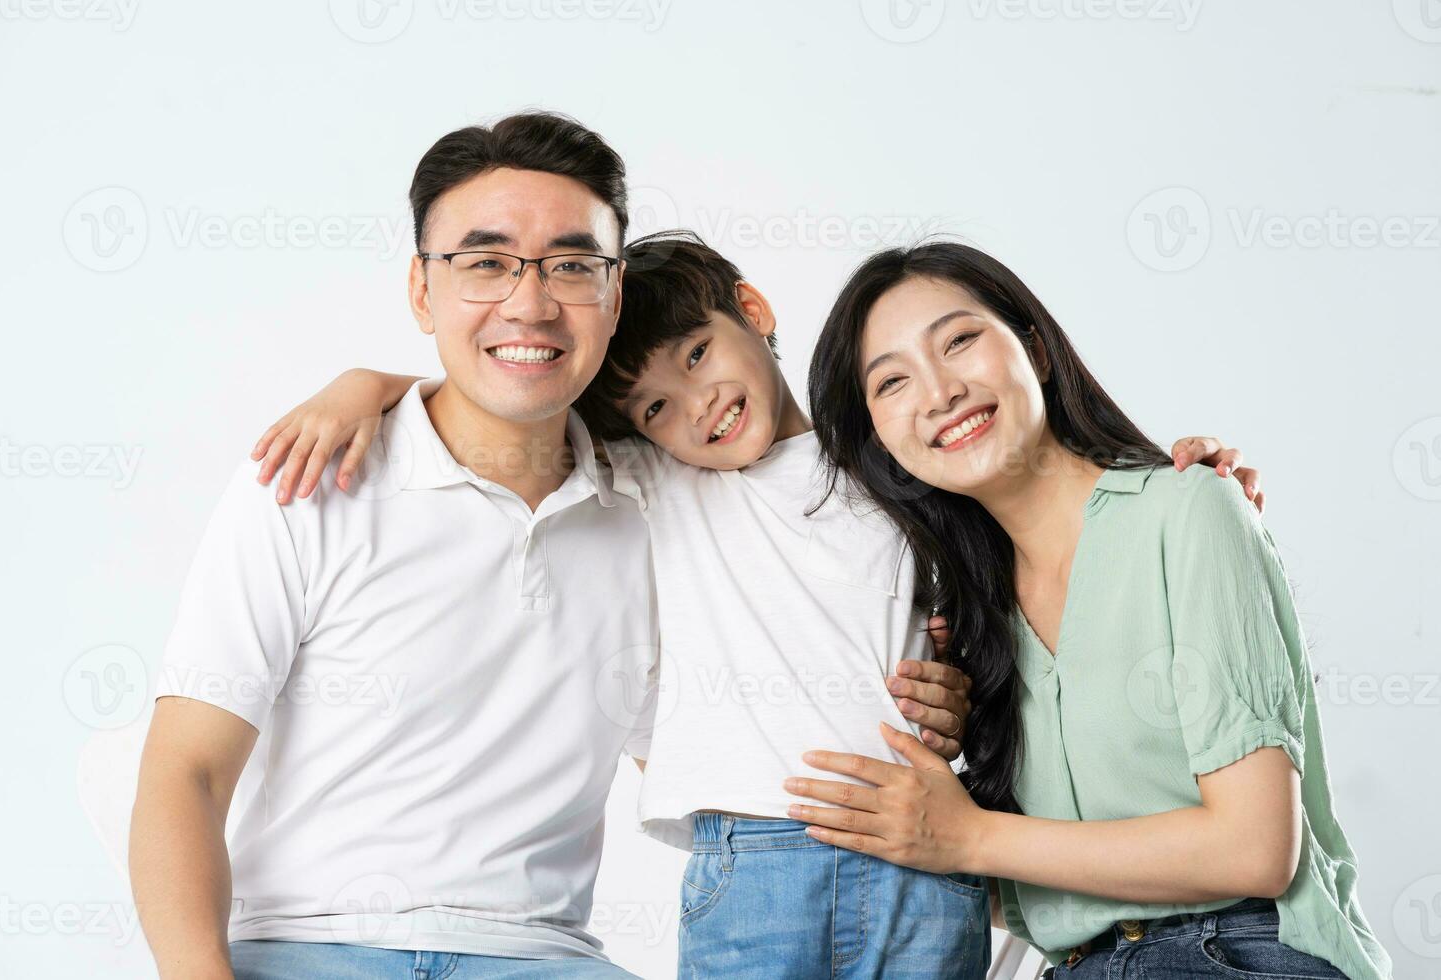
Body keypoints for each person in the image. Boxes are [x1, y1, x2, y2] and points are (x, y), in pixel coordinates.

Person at [253, 231, 1253, 979]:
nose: (696, 407)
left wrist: (1187, 476)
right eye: (653, 406)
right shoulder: (658, 480)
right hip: (756, 858)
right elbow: (494, 407)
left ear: (753, 309)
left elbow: (1041, 512)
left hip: (923, 852)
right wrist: (365, 384)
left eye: (697, 355)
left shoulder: (899, 455)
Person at [131, 112, 964, 980]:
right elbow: (182, 774)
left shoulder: (658, 502)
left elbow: (741, 709)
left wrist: (915, 699)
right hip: (308, 943)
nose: (529, 301)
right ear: (422, 290)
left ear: (612, 297)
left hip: (545, 957)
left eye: (571, 266)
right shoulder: (307, 478)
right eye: (484, 263)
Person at [785, 241, 1392, 980]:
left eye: (960, 340)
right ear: (879, 436)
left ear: (1035, 349)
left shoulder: (1190, 509)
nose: (940, 392)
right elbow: (1043, 891)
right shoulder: (968, 626)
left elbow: (1255, 849)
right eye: (892, 383)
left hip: (1237, 954)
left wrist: (967, 836)